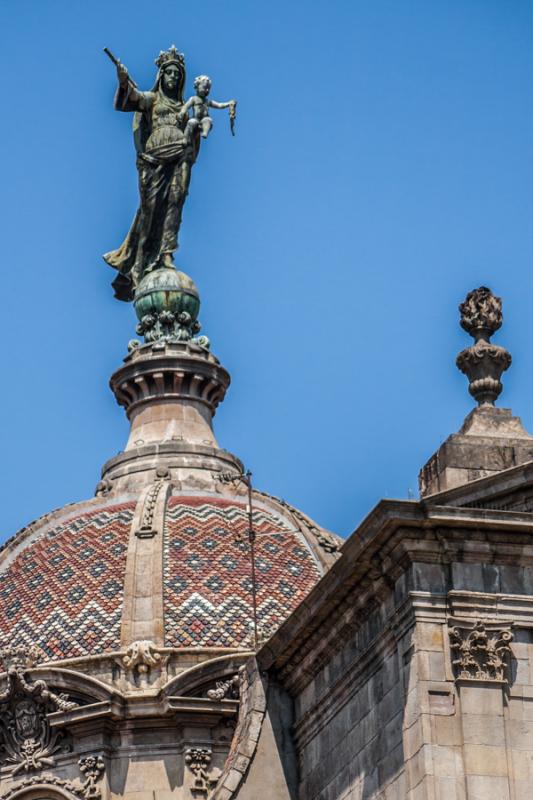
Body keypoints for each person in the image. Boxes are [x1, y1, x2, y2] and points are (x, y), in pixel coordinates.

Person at [103, 47, 198, 302]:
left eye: (177, 75)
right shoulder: (153, 100)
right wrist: (123, 80)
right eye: (169, 73)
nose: (173, 78)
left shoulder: (184, 106)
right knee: (150, 211)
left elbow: (195, 132)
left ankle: (167, 252)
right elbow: (131, 99)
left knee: (175, 205)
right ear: (161, 75)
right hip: (153, 162)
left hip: (179, 158)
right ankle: (137, 264)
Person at [183, 75, 236, 141]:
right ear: (197, 86)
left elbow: (219, 105)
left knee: (208, 120)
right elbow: (186, 107)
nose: (207, 90)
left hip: (204, 119)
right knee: (191, 123)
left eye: (208, 89)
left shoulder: (208, 101)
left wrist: (228, 103)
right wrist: (181, 113)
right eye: (204, 87)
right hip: (195, 119)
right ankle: (185, 138)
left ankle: (205, 132)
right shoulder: (193, 99)